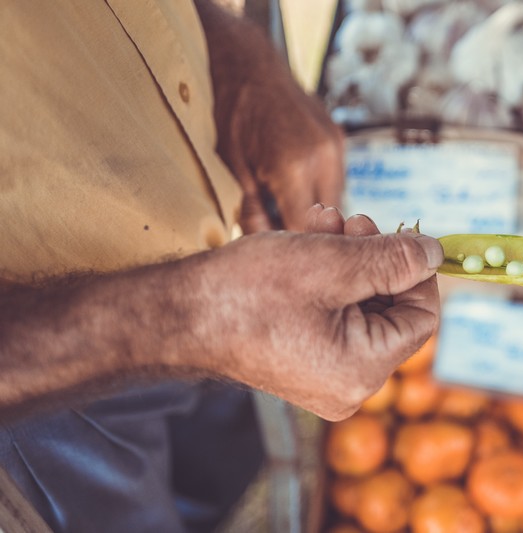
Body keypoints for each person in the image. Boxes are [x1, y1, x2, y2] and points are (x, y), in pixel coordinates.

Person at [0, 1, 443, 531]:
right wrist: (193, 318)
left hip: (211, 243)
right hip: (50, 380)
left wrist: (228, 47)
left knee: (224, 472)